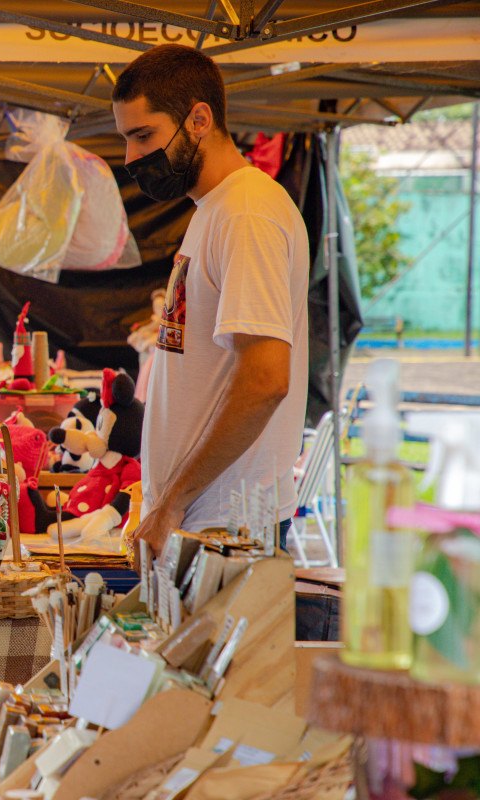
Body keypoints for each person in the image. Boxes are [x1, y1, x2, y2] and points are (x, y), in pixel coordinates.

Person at [112, 44, 309, 555]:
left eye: (143, 135)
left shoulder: (247, 214)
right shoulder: (216, 209)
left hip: (227, 528)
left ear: (199, 118)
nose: (132, 158)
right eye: (126, 140)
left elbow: (265, 381)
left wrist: (174, 501)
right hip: (205, 520)